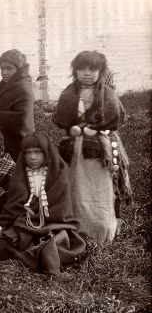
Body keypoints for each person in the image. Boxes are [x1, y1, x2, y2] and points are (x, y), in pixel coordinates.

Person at [54, 51, 131, 243]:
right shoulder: (69, 93)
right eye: (82, 69)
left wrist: (96, 128)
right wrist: (74, 128)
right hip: (75, 149)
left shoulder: (108, 94)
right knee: (76, 187)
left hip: (99, 150)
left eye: (92, 69)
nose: (86, 73)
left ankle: (101, 230)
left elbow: (116, 118)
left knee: (99, 189)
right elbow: (61, 118)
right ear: (75, 70)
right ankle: (77, 230)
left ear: (100, 71)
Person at [0, 133, 86, 274]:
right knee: (3, 239)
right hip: (26, 221)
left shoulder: (59, 173)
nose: (32, 157)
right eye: (28, 153)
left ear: (46, 153)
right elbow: (15, 202)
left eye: (37, 152)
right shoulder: (22, 171)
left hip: (52, 222)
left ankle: (43, 254)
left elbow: (59, 208)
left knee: (52, 240)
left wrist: (33, 216)